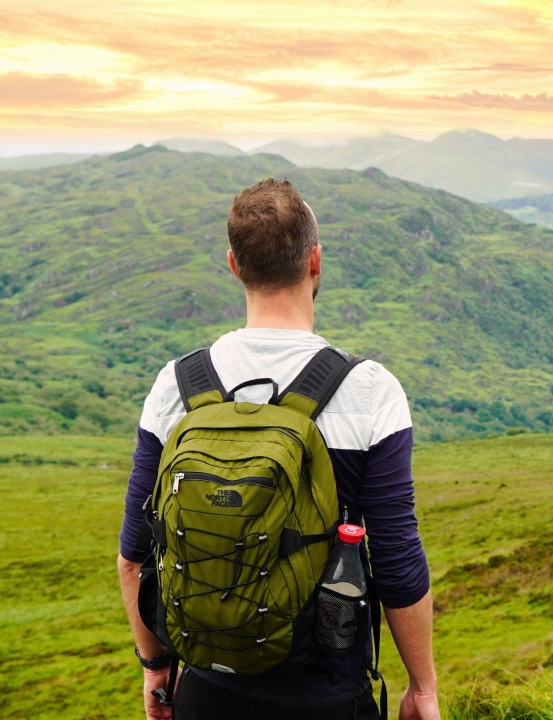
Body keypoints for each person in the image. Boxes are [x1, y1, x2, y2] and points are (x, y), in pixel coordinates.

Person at [115, 178, 440, 720]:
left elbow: (135, 556)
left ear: (234, 265)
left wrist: (155, 669)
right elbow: (396, 559)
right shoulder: (369, 389)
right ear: (315, 261)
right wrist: (422, 687)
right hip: (329, 697)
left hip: (206, 691)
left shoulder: (176, 385)